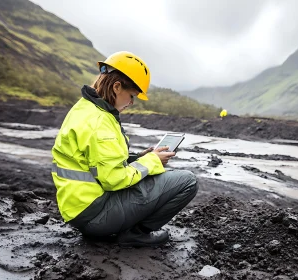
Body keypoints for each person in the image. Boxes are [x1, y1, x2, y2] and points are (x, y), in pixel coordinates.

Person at [51, 51, 198, 247]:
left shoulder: (86, 109)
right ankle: (136, 234)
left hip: (80, 209)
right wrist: (152, 161)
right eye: (131, 96)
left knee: (152, 175)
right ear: (117, 86)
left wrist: (140, 157)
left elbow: (97, 161)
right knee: (187, 181)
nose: (131, 103)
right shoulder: (100, 121)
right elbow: (114, 179)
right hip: (96, 215)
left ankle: (123, 227)